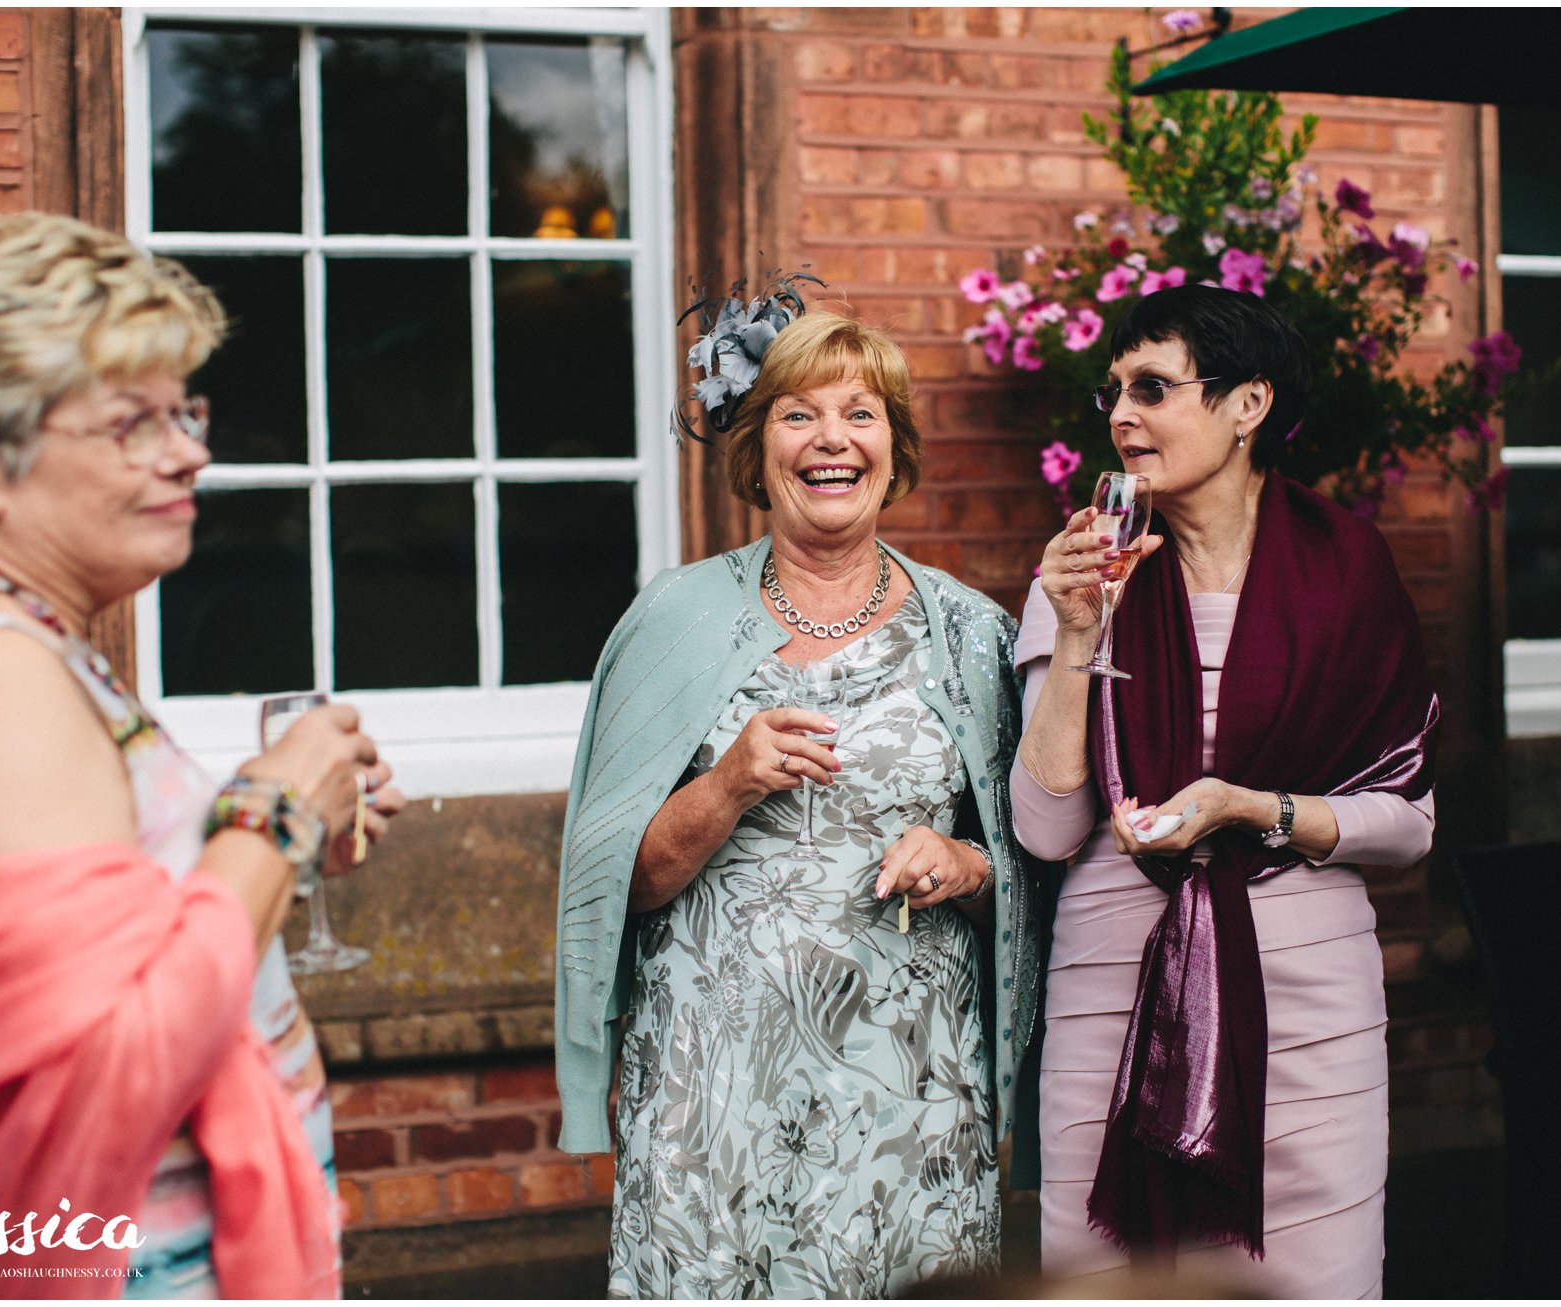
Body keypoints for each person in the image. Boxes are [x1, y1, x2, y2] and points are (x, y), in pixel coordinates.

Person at [0, 213, 404, 1297]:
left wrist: (280, 845)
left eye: (183, 410)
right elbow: (107, 1073)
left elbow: (100, 943)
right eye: (133, 423)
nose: (190, 450)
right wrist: (274, 810)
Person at [554, 305, 1042, 1297]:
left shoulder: (973, 633)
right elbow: (614, 882)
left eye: (859, 414)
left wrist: (968, 865)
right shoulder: (673, 619)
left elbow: (1036, 881)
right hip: (709, 1086)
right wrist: (726, 782)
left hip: (910, 1088)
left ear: (892, 449)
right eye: (797, 414)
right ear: (756, 447)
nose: (831, 439)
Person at [1011, 284, 1439, 1297]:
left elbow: (1409, 822)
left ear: (1246, 405)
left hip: (1309, 1001)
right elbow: (1044, 825)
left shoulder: (1347, 570)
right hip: (1114, 981)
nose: (1120, 414)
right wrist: (1079, 628)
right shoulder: (1081, 571)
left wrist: (1255, 809)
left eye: (1152, 387)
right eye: (1111, 390)